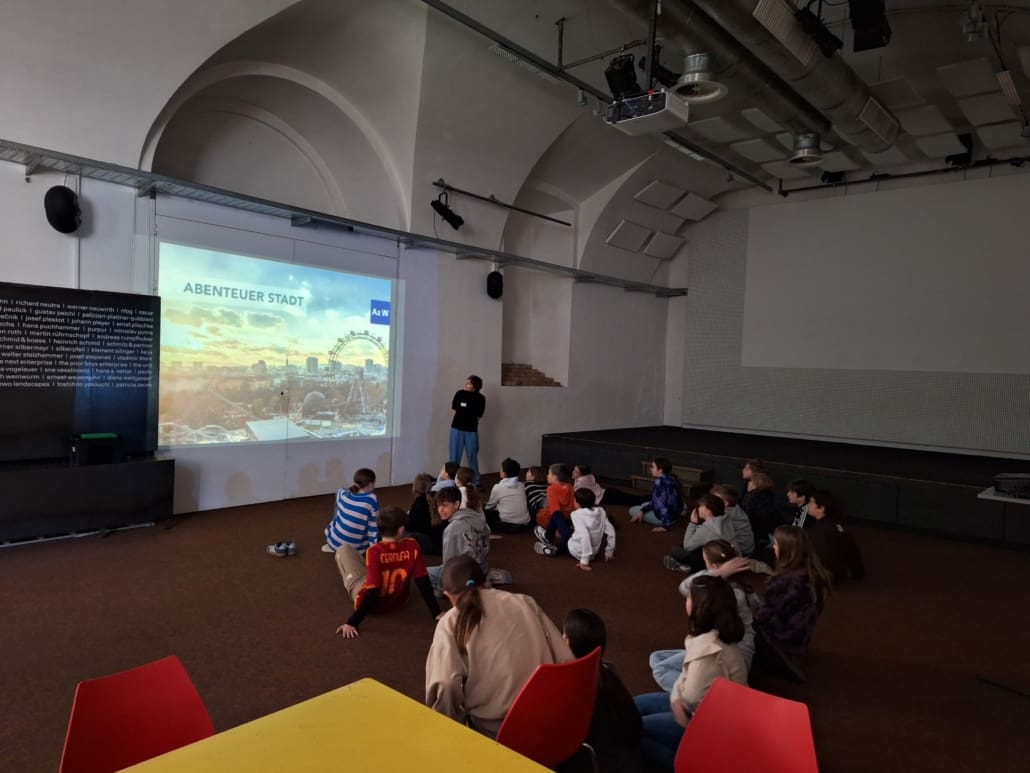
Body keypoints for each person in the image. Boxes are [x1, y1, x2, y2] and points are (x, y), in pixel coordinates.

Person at [425, 555, 572, 736]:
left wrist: (448, 726)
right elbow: (565, 658)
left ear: (448, 595)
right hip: (552, 720)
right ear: (485, 581)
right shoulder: (525, 601)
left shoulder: (450, 623)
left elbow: (446, 685)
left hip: (502, 732)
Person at [634, 575, 748, 771]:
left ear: (699, 607)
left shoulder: (709, 651)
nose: (685, 600)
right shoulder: (714, 636)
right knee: (631, 707)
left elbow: (689, 698)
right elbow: (684, 679)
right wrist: (677, 699)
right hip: (697, 711)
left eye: (689, 597)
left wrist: (678, 700)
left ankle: (678, 765)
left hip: (709, 727)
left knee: (633, 730)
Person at [650, 540, 763, 689]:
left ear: (714, 566)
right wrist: (720, 573)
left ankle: (697, 692)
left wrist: (719, 573)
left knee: (661, 669)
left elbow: (685, 588)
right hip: (722, 647)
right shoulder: (737, 584)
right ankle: (695, 681)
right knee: (656, 657)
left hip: (726, 655)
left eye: (706, 563)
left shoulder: (723, 594)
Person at [716, 525, 832, 659]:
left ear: (786, 550)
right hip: (800, 636)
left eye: (776, 544)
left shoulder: (785, 581)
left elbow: (763, 617)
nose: (773, 547)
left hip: (778, 640)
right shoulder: (814, 574)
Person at [334, 506, 442, 638]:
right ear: (401, 529)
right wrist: (436, 612)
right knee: (369, 568)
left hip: (373, 605)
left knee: (344, 549)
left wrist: (352, 622)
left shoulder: (373, 551)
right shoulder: (413, 546)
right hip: (399, 601)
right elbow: (422, 581)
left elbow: (373, 590)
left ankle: (355, 577)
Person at [562, 609, 644, 773]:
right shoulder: (606, 671)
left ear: (568, 642)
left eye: (564, 634)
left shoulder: (570, 687)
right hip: (630, 750)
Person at [425, 486, 490, 591]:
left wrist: (443, 587)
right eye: (438, 505)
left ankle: (449, 590)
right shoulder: (477, 517)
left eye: (445, 505)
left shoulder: (452, 529)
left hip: (464, 575)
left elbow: (448, 563)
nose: (440, 510)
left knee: (423, 573)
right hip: (482, 570)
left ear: (456, 504)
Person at [536, 488, 616, 570]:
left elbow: (585, 535)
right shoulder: (601, 512)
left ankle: (548, 538)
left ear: (577, 503)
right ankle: (557, 548)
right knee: (569, 527)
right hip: (593, 553)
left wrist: (584, 561)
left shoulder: (576, 514)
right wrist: (609, 552)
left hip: (576, 552)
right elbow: (611, 532)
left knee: (557, 514)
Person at [663, 494, 735, 573]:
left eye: (700, 506)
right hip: (732, 557)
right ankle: (690, 567)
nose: (698, 508)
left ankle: (691, 567)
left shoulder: (708, 528)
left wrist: (692, 523)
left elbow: (687, 547)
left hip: (719, 562)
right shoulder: (725, 518)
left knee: (677, 550)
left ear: (708, 510)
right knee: (698, 545)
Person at [806, 490, 865, 582]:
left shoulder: (821, 532)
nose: (808, 505)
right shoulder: (836, 526)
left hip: (826, 575)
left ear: (821, 508)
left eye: (811, 502)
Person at [323, 468, 378, 554]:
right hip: (353, 550)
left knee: (339, 502)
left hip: (333, 543)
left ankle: (335, 540)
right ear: (370, 484)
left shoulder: (343, 494)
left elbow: (340, 491)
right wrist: (373, 548)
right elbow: (373, 527)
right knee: (375, 522)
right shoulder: (371, 499)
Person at [628, 457, 683, 533]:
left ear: (660, 470)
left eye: (653, 467)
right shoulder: (671, 478)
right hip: (675, 513)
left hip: (668, 518)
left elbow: (662, 505)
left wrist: (665, 526)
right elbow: (657, 501)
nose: (651, 469)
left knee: (632, 510)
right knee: (645, 505)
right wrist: (643, 510)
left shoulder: (659, 483)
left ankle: (666, 522)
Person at [449, 375, 485, 486]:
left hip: (471, 431)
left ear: (475, 386)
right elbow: (454, 410)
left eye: (469, 383)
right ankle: (452, 481)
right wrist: (461, 421)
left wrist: (469, 422)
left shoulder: (481, 398)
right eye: (467, 382)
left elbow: (479, 416)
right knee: (454, 457)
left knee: (472, 457)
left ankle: (476, 482)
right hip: (456, 430)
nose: (466, 384)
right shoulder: (459, 393)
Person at [532, 463, 576, 549]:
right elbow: (573, 507)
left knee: (533, 512)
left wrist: (562, 532)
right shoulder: (570, 487)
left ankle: (548, 535)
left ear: (555, 477)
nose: (547, 476)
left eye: (549, 473)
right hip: (566, 518)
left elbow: (555, 512)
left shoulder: (552, 489)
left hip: (547, 519)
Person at [484, 457, 531, 533]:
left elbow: (489, 507)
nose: (500, 470)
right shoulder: (521, 485)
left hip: (508, 526)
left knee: (484, 512)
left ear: (504, 474)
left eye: (501, 469)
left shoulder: (498, 487)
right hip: (525, 526)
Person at [710, 484, 755, 557]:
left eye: (714, 500)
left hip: (742, 551)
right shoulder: (735, 507)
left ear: (725, 503)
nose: (711, 502)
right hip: (748, 547)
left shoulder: (726, 515)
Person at [408, 473, 443, 555]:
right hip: (441, 541)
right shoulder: (437, 498)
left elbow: (409, 526)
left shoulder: (418, 505)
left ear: (414, 488)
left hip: (430, 543)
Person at [741, 471, 777, 548]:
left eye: (750, 481)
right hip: (768, 532)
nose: (748, 483)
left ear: (755, 485)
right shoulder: (770, 496)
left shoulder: (750, 497)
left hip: (754, 533)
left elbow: (747, 518)